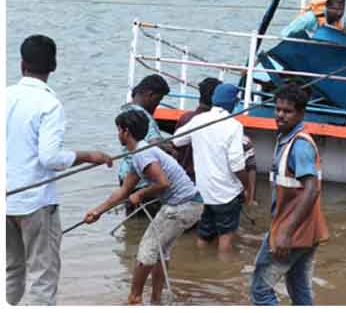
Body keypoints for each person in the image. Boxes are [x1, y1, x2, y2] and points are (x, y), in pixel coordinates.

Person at [6, 34, 113, 305]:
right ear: (53, 66)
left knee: (11, 272)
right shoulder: (49, 104)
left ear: (22, 64)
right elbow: (50, 158)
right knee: (42, 277)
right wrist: (88, 155)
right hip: (35, 203)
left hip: (5, 199)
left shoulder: (4, 96)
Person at [84, 110, 203, 305]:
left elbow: (163, 183)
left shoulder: (143, 153)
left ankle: (134, 299)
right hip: (191, 204)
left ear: (126, 132)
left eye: (118, 130)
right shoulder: (139, 153)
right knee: (160, 253)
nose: (117, 134)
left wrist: (140, 194)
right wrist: (98, 211)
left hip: (183, 205)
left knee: (147, 250)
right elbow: (124, 190)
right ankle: (156, 300)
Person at [249, 82, 329, 305]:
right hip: (306, 230)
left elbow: (312, 189)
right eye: (278, 109)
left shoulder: (299, 145)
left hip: (292, 230)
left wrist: (286, 232)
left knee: (260, 290)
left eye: (287, 111)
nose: (280, 115)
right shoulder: (286, 139)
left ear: (301, 113)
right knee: (299, 289)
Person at [172, 84, 249, 254]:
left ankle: (201, 262)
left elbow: (176, 141)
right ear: (234, 103)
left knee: (204, 235)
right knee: (226, 237)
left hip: (204, 192)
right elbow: (237, 164)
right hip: (227, 194)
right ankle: (223, 269)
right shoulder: (234, 126)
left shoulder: (198, 120)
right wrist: (247, 186)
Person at [117, 74, 172, 215]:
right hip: (142, 181)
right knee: (147, 220)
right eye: (158, 100)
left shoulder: (126, 109)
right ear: (150, 94)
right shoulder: (142, 116)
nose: (157, 105)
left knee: (132, 220)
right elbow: (155, 144)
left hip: (126, 175)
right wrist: (173, 146)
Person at [173, 77, 221, 182]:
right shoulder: (218, 122)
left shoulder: (185, 118)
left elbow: (175, 149)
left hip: (183, 178)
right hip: (205, 180)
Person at [281, 0, 346, 37]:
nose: (339, 13)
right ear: (327, 6)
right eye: (335, 9)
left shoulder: (343, 19)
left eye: (341, 9)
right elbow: (285, 34)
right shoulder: (309, 18)